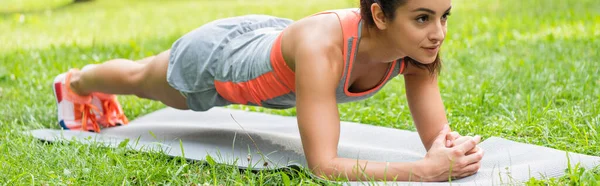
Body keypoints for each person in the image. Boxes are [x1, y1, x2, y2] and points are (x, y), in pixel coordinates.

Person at [52, 0, 484, 182]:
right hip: (220, 61)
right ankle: (75, 83)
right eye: (423, 18)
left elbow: (436, 137)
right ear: (379, 14)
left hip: (273, 38)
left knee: (142, 77)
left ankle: (83, 86)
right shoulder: (325, 49)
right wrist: (424, 171)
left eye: (444, 16)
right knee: (142, 79)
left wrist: (449, 149)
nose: (438, 32)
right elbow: (324, 165)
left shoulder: (416, 53)